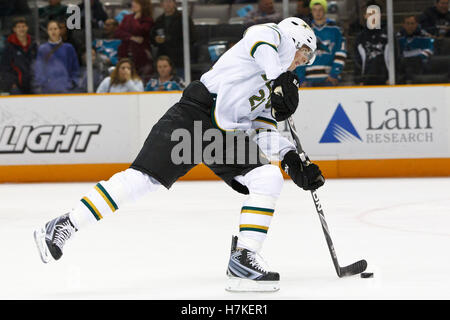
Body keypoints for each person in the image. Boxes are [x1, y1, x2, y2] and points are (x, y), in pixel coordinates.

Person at [33, 17, 325, 292]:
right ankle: (66, 224)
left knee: (268, 176)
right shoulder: (269, 36)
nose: (302, 61)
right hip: (194, 115)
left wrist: (291, 158)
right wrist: (277, 80)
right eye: (303, 52)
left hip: (222, 134)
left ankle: (244, 258)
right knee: (141, 181)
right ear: (293, 38)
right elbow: (262, 43)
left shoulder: (274, 84)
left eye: (307, 58)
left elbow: (262, 126)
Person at [294, 0, 346, 87]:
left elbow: (341, 53)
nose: (317, 13)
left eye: (320, 10)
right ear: (311, 11)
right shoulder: (306, 32)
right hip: (309, 79)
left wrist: (334, 73)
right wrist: (301, 78)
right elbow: (300, 56)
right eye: (314, 10)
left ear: (325, 10)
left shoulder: (336, 30)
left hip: (329, 78)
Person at [33, 20, 80, 94]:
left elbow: (75, 68)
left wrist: (72, 83)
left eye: (55, 29)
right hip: (48, 90)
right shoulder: (43, 49)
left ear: (59, 30)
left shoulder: (68, 48)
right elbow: (39, 69)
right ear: (47, 31)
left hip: (66, 89)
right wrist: (42, 85)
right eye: (50, 29)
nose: (53, 31)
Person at [150, 0, 195, 77]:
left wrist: (168, 39)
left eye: (170, 1)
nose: (167, 4)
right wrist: (156, 39)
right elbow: (152, 38)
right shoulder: (159, 20)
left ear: (174, 3)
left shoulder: (184, 18)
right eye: (165, 2)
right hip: (163, 58)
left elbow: (192, 38)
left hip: (179, 59)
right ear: (161, 4)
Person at [114, 0, 154, 83]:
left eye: (136, 3)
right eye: (133, 2)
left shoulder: (148, 20)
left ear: (143, 5)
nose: (133, 4)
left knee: (141, 80)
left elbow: (139, 31)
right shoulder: (127, 17)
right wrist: (131, 37)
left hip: (141, 57)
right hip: (125, 54)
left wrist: (135, 20)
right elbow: (118, 32)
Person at [354, 2, 389, 85]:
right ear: (365, 16)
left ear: (380, 15)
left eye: (375, 14)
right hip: (366, 82)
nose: (373, 17)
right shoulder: (360, 38)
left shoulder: (389, 36)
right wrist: (359, 80)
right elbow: (357, 61)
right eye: (370, 14)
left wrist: (393, 78)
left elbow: (396, 59)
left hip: (386, 82)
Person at [0, 17, 37, 95]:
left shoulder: (34, 45)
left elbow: (39, 64)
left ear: (27, 28)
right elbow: (4, 68)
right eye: (18, 27)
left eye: (23, 26)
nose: (21, 29)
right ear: (14, 29)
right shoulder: (9, 47)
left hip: (33, 84)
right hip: (16, 86)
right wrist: (12, 84)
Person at [397, 15, 434, 84]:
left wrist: (417, 58)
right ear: (403, 25)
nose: (410, 26)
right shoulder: (398, 37)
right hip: (404, 65)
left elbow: (430, 51)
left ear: (417, 24)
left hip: (421, 64)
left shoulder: (424, 35)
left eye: (412, 23)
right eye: (407, 23)